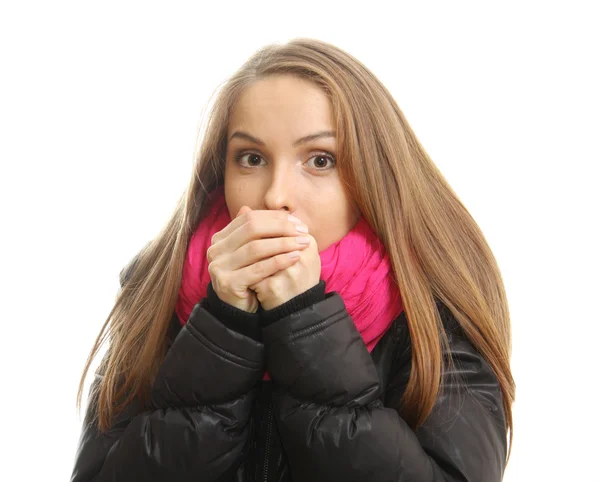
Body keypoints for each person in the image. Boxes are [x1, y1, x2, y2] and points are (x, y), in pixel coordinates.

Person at [70, 38, 515, 482]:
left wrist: (305, 324)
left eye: (320, 161)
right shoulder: (156, 290)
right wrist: (222, 328)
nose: (276, 196)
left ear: (373, 177)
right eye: (251, 158)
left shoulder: (434, 309)